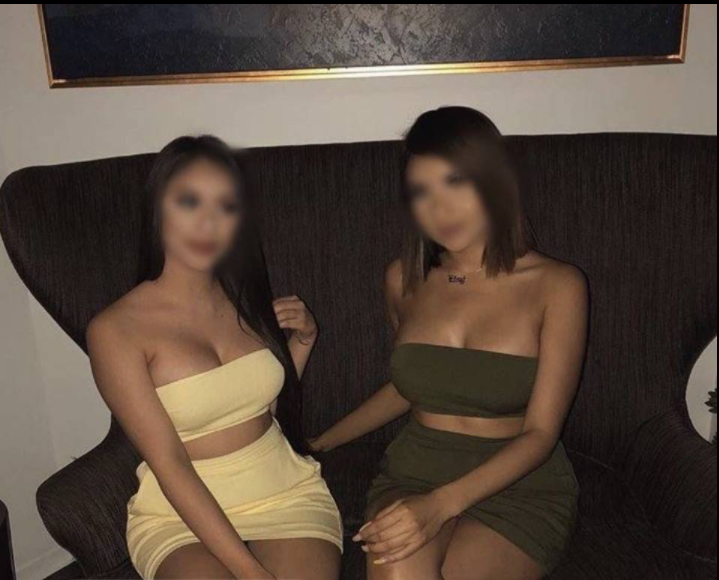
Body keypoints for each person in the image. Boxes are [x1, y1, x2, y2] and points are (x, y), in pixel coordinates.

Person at [310, 107, 587, 580]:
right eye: (422, 192)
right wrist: (321, 441)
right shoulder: (403, 279)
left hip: (518, 482)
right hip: (415, 471)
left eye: (455, 182)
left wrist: (442, 504)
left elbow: (541, 433)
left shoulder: (558, 286)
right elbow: (414, 386)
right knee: (398, 567)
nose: (441, 208)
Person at [86, 135, 343, 580]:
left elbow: (261, 410)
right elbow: (169, 462)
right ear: (158, 208)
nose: (207, 223)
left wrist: (304, 340)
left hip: (283, 490)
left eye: (225, 206)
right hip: (178, 513)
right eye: (190, 201)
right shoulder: (115, 330)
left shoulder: (245, 298)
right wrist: (251, 572)